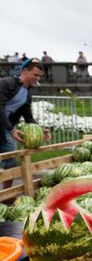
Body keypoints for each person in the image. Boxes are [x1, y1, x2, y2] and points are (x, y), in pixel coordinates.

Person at [0, 58, 51, 188]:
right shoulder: (6, 83)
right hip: (6, 127)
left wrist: (40, 130)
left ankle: (7, 194)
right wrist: (12, 129)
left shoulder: (27, 94)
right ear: (25, 71)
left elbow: (28, 118)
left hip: (3, 128)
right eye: (35, 75)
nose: (37, 78)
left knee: (10, 159)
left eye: (39, 76)